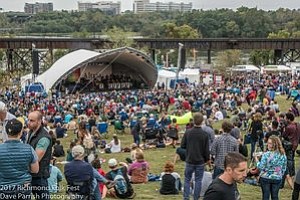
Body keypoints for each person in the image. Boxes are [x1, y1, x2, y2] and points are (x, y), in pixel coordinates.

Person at [0, 118, 39, 200]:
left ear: (6, 132)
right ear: (21, 132)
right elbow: (35, 170)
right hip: (23, 187)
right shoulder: (28, 149)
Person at [180, 112, 210, 200]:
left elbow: (182, 145)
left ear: (193, 120)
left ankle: (186, 197)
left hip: (189, 159)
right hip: (200, 161)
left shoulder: (188, 132)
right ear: (202, 121)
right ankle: (196, 198)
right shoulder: (204, 134)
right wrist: (207, 159)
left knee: (187, 179)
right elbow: (206, 150)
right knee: (198, 181)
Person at [27, 111, 52, 200]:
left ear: (39, 121)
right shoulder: (31, 132)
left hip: (39, 176)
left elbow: (36, 158)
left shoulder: (44, 137)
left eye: (32, 121)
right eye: (28, 120)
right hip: (31, 174)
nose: (28, 123)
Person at [255, 136, 287, 200]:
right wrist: (279, 174)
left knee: (265, 196)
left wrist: (256, 159)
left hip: (265, 177)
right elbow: (284, 168)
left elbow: (261, 167)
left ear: (275, 144)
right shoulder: (283, 155)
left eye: (270, 143)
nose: (268, 145)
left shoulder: (266, 155)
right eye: (268, 143)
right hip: (277, 178)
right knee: (275, 196)